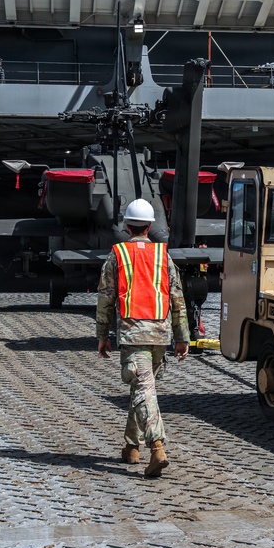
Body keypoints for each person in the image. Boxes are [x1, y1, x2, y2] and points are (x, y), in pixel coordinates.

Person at [97, 198, 190, 477]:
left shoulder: (119, 255)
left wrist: (102, 335)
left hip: (133, 333)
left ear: (127, 226)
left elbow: (105, 298)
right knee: (143, 389)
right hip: (160, 334)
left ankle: (157, 447)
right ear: (150, 226)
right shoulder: (164, 256)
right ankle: (131, 447)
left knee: (143, 390)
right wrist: (182, 336)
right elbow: (177, 298)